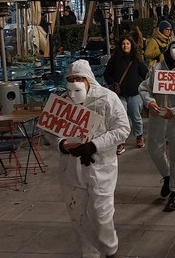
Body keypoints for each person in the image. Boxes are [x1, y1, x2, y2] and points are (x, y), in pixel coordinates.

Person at [46, 59, 130, 258]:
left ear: (88, 79)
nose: (75, 82)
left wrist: (94, 145)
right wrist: (62, 144)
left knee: (102, 215)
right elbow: (49, 130)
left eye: (79, 78)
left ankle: (110, 250)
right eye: (71, 79)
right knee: (78, 216)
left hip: (100, 168)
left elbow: (122, 129)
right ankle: (89, 253)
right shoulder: (62, 102)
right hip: (71, 170)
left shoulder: (107, 98)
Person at [139, 33, 175, 212]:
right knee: (154, 149)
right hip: (158, 115)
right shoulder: (157, 69)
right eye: (173, 47)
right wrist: (149, 101)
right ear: (168, 49)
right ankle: (167, 175)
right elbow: (144, 87)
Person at [104, 34, 148, 153]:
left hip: (135, 94)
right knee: (121, 119)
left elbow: (145, 74)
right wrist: (112, 83)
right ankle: (121, 141)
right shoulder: (113, 60)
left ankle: (139, 137)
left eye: (127, 44)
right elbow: (106, 74)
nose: (125, 46)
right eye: (123, 44)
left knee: (136, 117)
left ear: (131, 45)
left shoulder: (136, 60)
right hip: (120, 95)